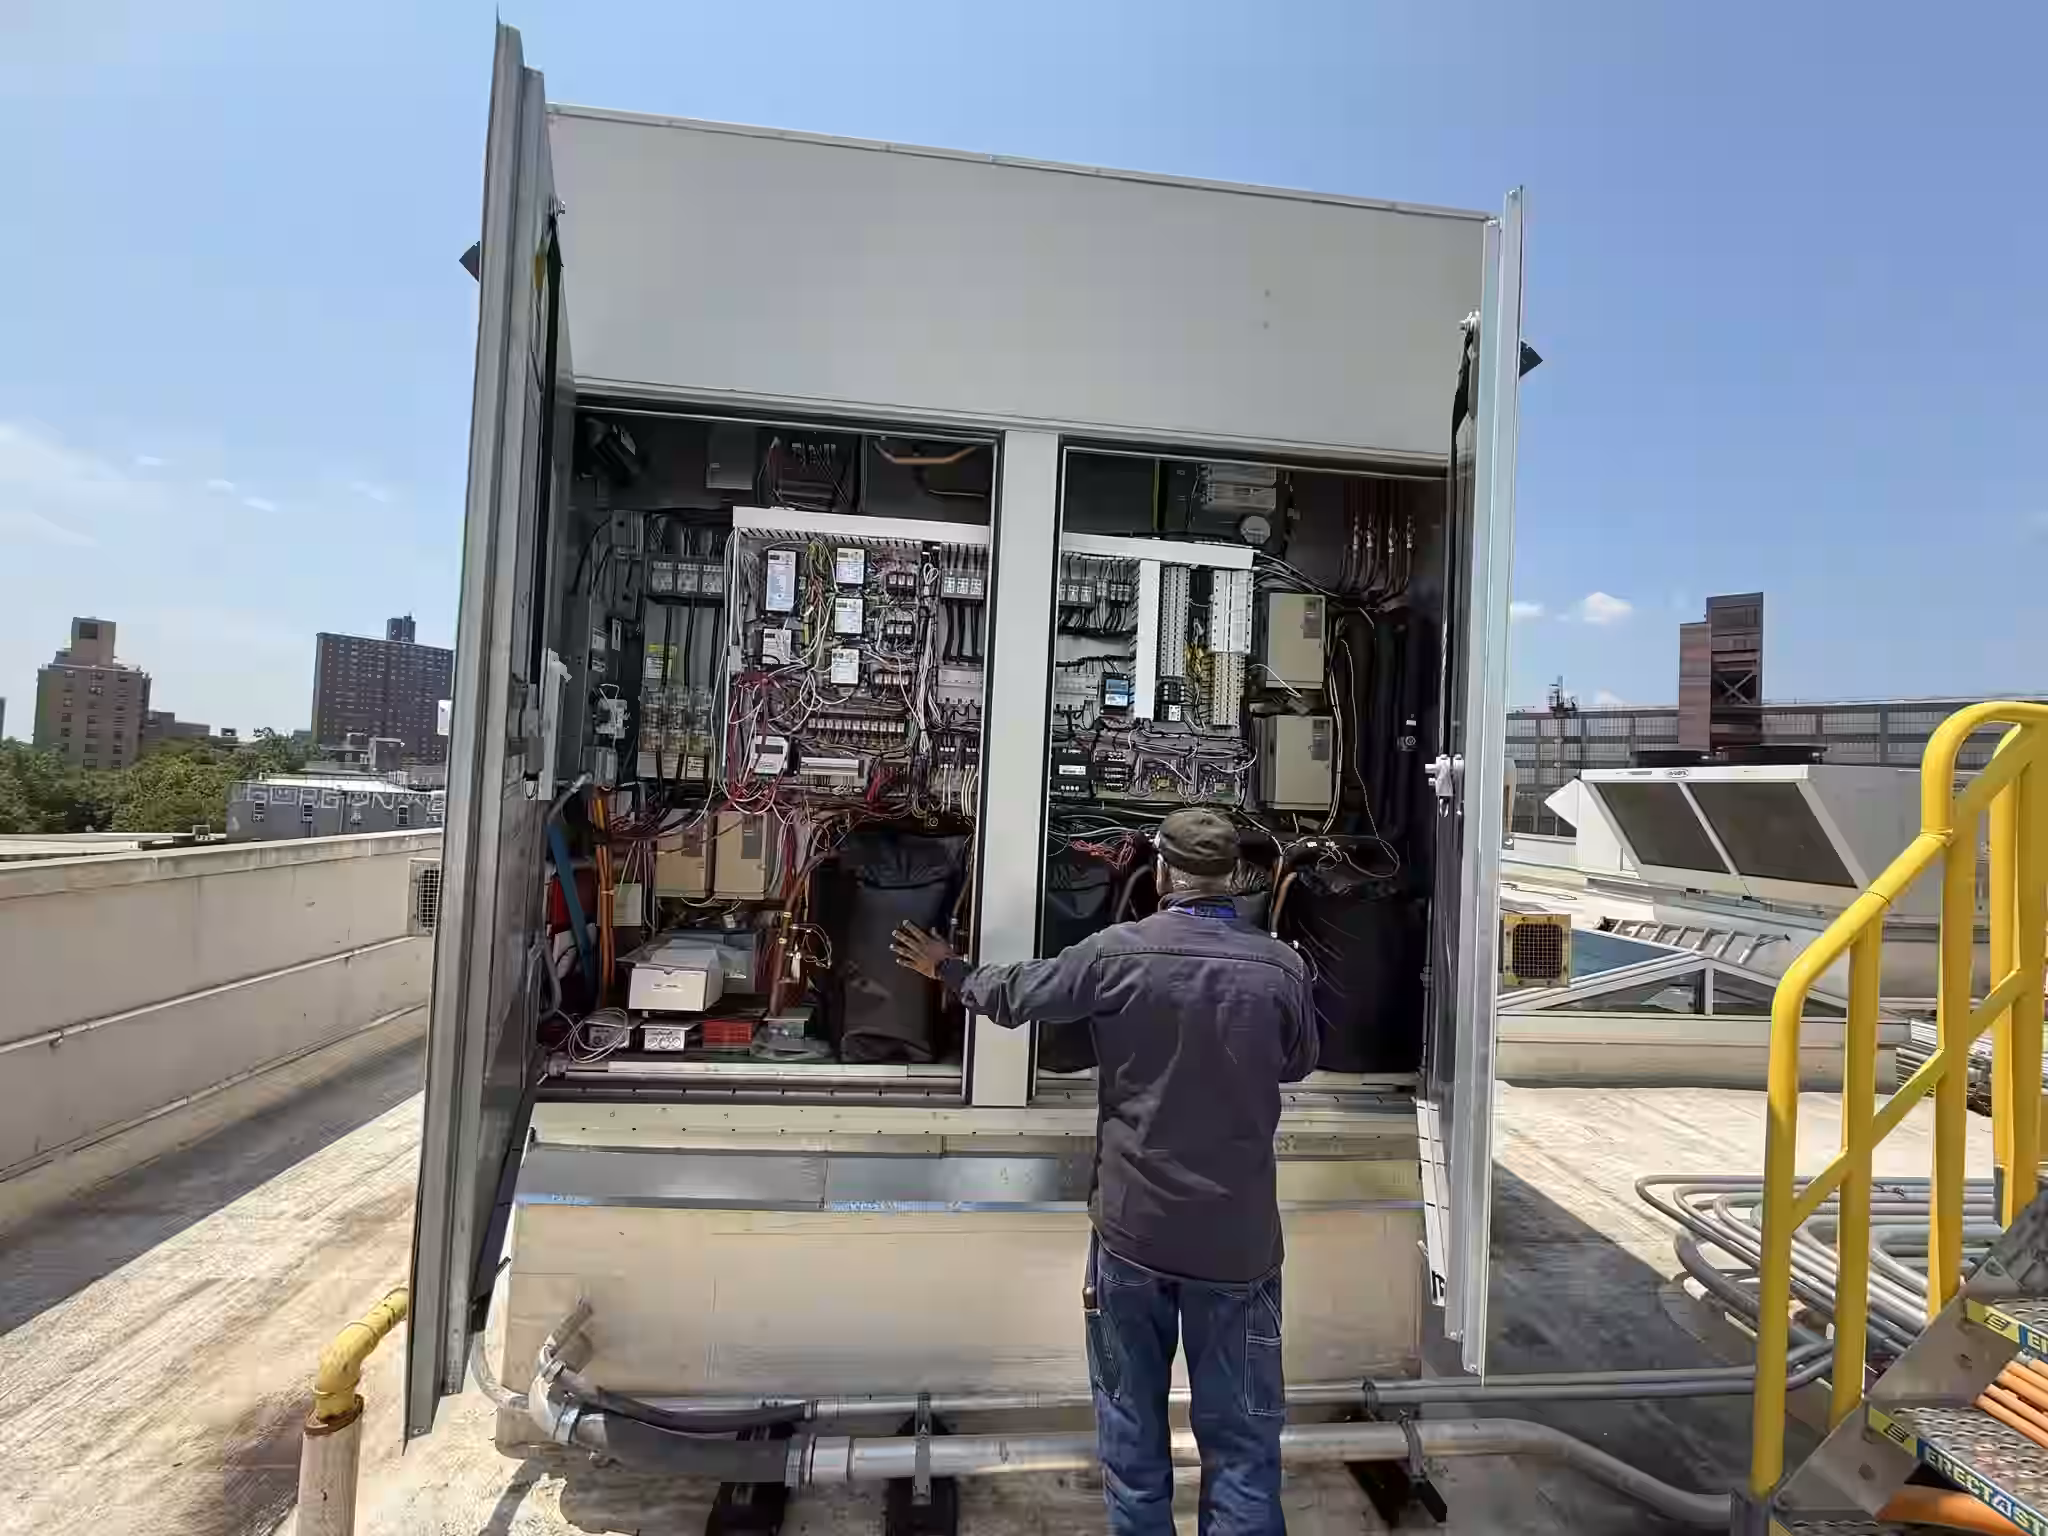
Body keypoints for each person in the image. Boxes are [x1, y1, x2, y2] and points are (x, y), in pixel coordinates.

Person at [892, 807, 1317, 1536]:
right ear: (1234, 879)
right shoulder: (1280, 966)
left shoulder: (1114, 953)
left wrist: (948, 968)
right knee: (1244, 1445)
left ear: (1161, 873)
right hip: (1239, 1244)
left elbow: (1018, 995)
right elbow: (1299, 1060)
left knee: (1132, 1433)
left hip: (1135, 1237)